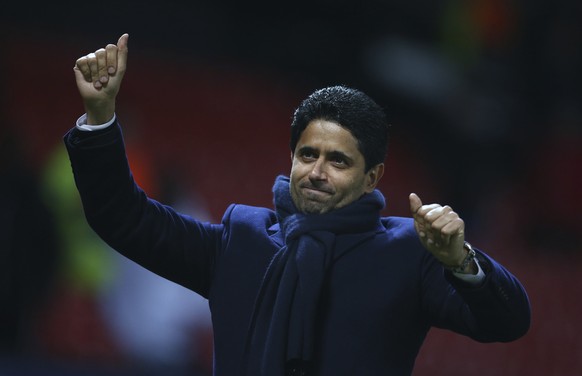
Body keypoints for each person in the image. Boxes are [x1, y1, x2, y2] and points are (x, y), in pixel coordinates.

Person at [64, 34, 531, 376]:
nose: (317, 171)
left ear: (373, 178)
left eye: (338, 161)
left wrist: (463, 263)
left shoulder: (411, 252)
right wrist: (100, 119)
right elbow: (122, 218)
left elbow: (508, 323)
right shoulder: (241, 238)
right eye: (307, 155)